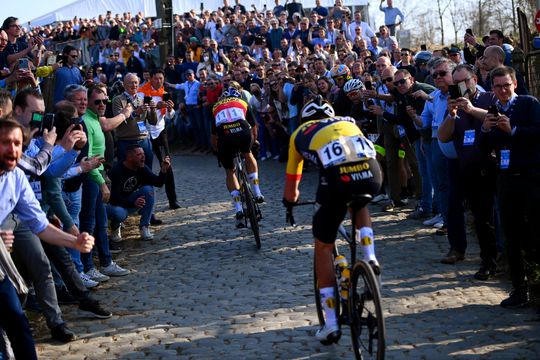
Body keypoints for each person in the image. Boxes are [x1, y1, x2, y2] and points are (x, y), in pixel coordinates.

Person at [282, 96, 382, 343]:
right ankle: (369, 256)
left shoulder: (298, 134)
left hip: (337, 180)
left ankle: (330, 323)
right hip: (372, 173)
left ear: (305, 120)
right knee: (359, 202)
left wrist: (290, 202)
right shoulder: (348, 122)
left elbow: (292, 187)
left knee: (323, 246)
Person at [0, 117, 94, 351]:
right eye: (5, 142)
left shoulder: (16, 177)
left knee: (18, 322)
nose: (12, 149)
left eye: (17, 144)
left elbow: (40, 224)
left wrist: (75, 241)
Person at [479, 66, 540, 308]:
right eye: (498, 86)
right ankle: (519, 289)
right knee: (511, 234)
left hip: (532, 176)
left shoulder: (528, 103)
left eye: (506, 85)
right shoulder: (492, 112)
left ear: (514, 84)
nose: (503, 90)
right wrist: (486, 128)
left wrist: (512, 130)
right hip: (505, 178)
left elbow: (538, 132)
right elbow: (483, 147)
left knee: (536, 232)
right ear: (492, 89)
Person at [211, 87, 264, 228]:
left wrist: (218, 151)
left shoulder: (216, 106)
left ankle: (238, 208)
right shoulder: (243, 102)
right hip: (242, 132)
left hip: (225, 136)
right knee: (247, 153)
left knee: (230, 171)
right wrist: (252, 143)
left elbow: (214, 136)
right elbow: (254, 127)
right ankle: (258, 192)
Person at [107, 145, 171, 241]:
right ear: (129, 157)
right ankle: (115, 227)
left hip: (130, 201)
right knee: (119, 213)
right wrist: (132, 203)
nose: (143, 157)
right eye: (139, 154)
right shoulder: (117, 170)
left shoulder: (141, 167)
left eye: (143, 154)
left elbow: (158, 182)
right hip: (114, 204)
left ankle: (144, 227)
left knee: (148, 189)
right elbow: (113, 197)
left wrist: (164, 169)